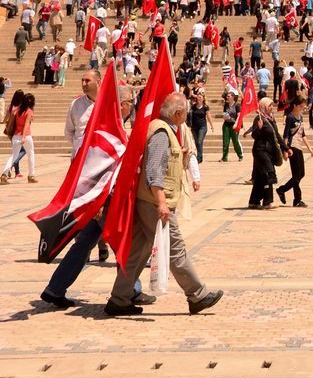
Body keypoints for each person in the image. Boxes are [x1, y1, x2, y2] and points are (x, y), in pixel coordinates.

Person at [106, 92, 222, 315]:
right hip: (155, 203)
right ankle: (197, 294)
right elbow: (154, 171)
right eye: (185, 112)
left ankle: (119, 299)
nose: (186, 116)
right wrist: (161, 202)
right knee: (175, 250)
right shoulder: (161, 133)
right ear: (178, 113)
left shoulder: (162, 129)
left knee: (137, 252)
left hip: (147, 200)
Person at [40, 87, 157, 309]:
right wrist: (99, 201)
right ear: (121, 105)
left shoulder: (108, 129)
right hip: (104, 200)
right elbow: (97, 168)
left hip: (98, 200)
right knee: (124, 242)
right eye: (130, 101)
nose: (132, 105)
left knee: (84, 244)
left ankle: (55, 288)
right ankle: (130, 291)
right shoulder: (105, 132)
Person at [277, 96, 313, 207]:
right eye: (301, 106)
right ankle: (296, 199)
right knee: (297, 175)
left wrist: (309, 148)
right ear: (295, 105)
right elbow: (286, 135)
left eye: (303, 107)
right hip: (292, 148)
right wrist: (285, 150)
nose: (302, 108)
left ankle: (283, 191)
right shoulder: (290, 117)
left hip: (299, 147)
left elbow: (302, 134)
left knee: (299, 174)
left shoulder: (300, 117)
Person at [248, 98, 285, 210]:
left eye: (271, 105)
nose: (271, 107)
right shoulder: (258, 119)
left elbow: (277, 135)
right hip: (260, 151)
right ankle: (267, 202)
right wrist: (258, 129)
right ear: (263, 106)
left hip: (268, 151)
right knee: (268, 174)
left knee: (260, 177)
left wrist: (286, 148)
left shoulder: (271, 119)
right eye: (269, 105)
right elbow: (254, 135)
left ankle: (254, 201)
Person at [1, 92, 36, 183]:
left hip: (15, 136)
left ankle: (4, 174)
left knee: (13, 156)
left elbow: (10, 119)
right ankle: (31, 175)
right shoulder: (29, 111)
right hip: (26, 136)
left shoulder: (16, 110)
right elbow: (26, 125)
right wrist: (24, 137)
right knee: (31, 154)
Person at [189, 88, 214, 164]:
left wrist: (212, 125)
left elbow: (208, 116)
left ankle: (199, 157)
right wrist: (189, 126)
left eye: (200, 97)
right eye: (198, 97)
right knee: (197, 142)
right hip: (194, 127)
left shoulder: (205, 107)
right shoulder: (193, 106)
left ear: (203, 99)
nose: (198, 99)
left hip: (202, 127)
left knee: (199, 141)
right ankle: (200, 156)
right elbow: (190, 116)